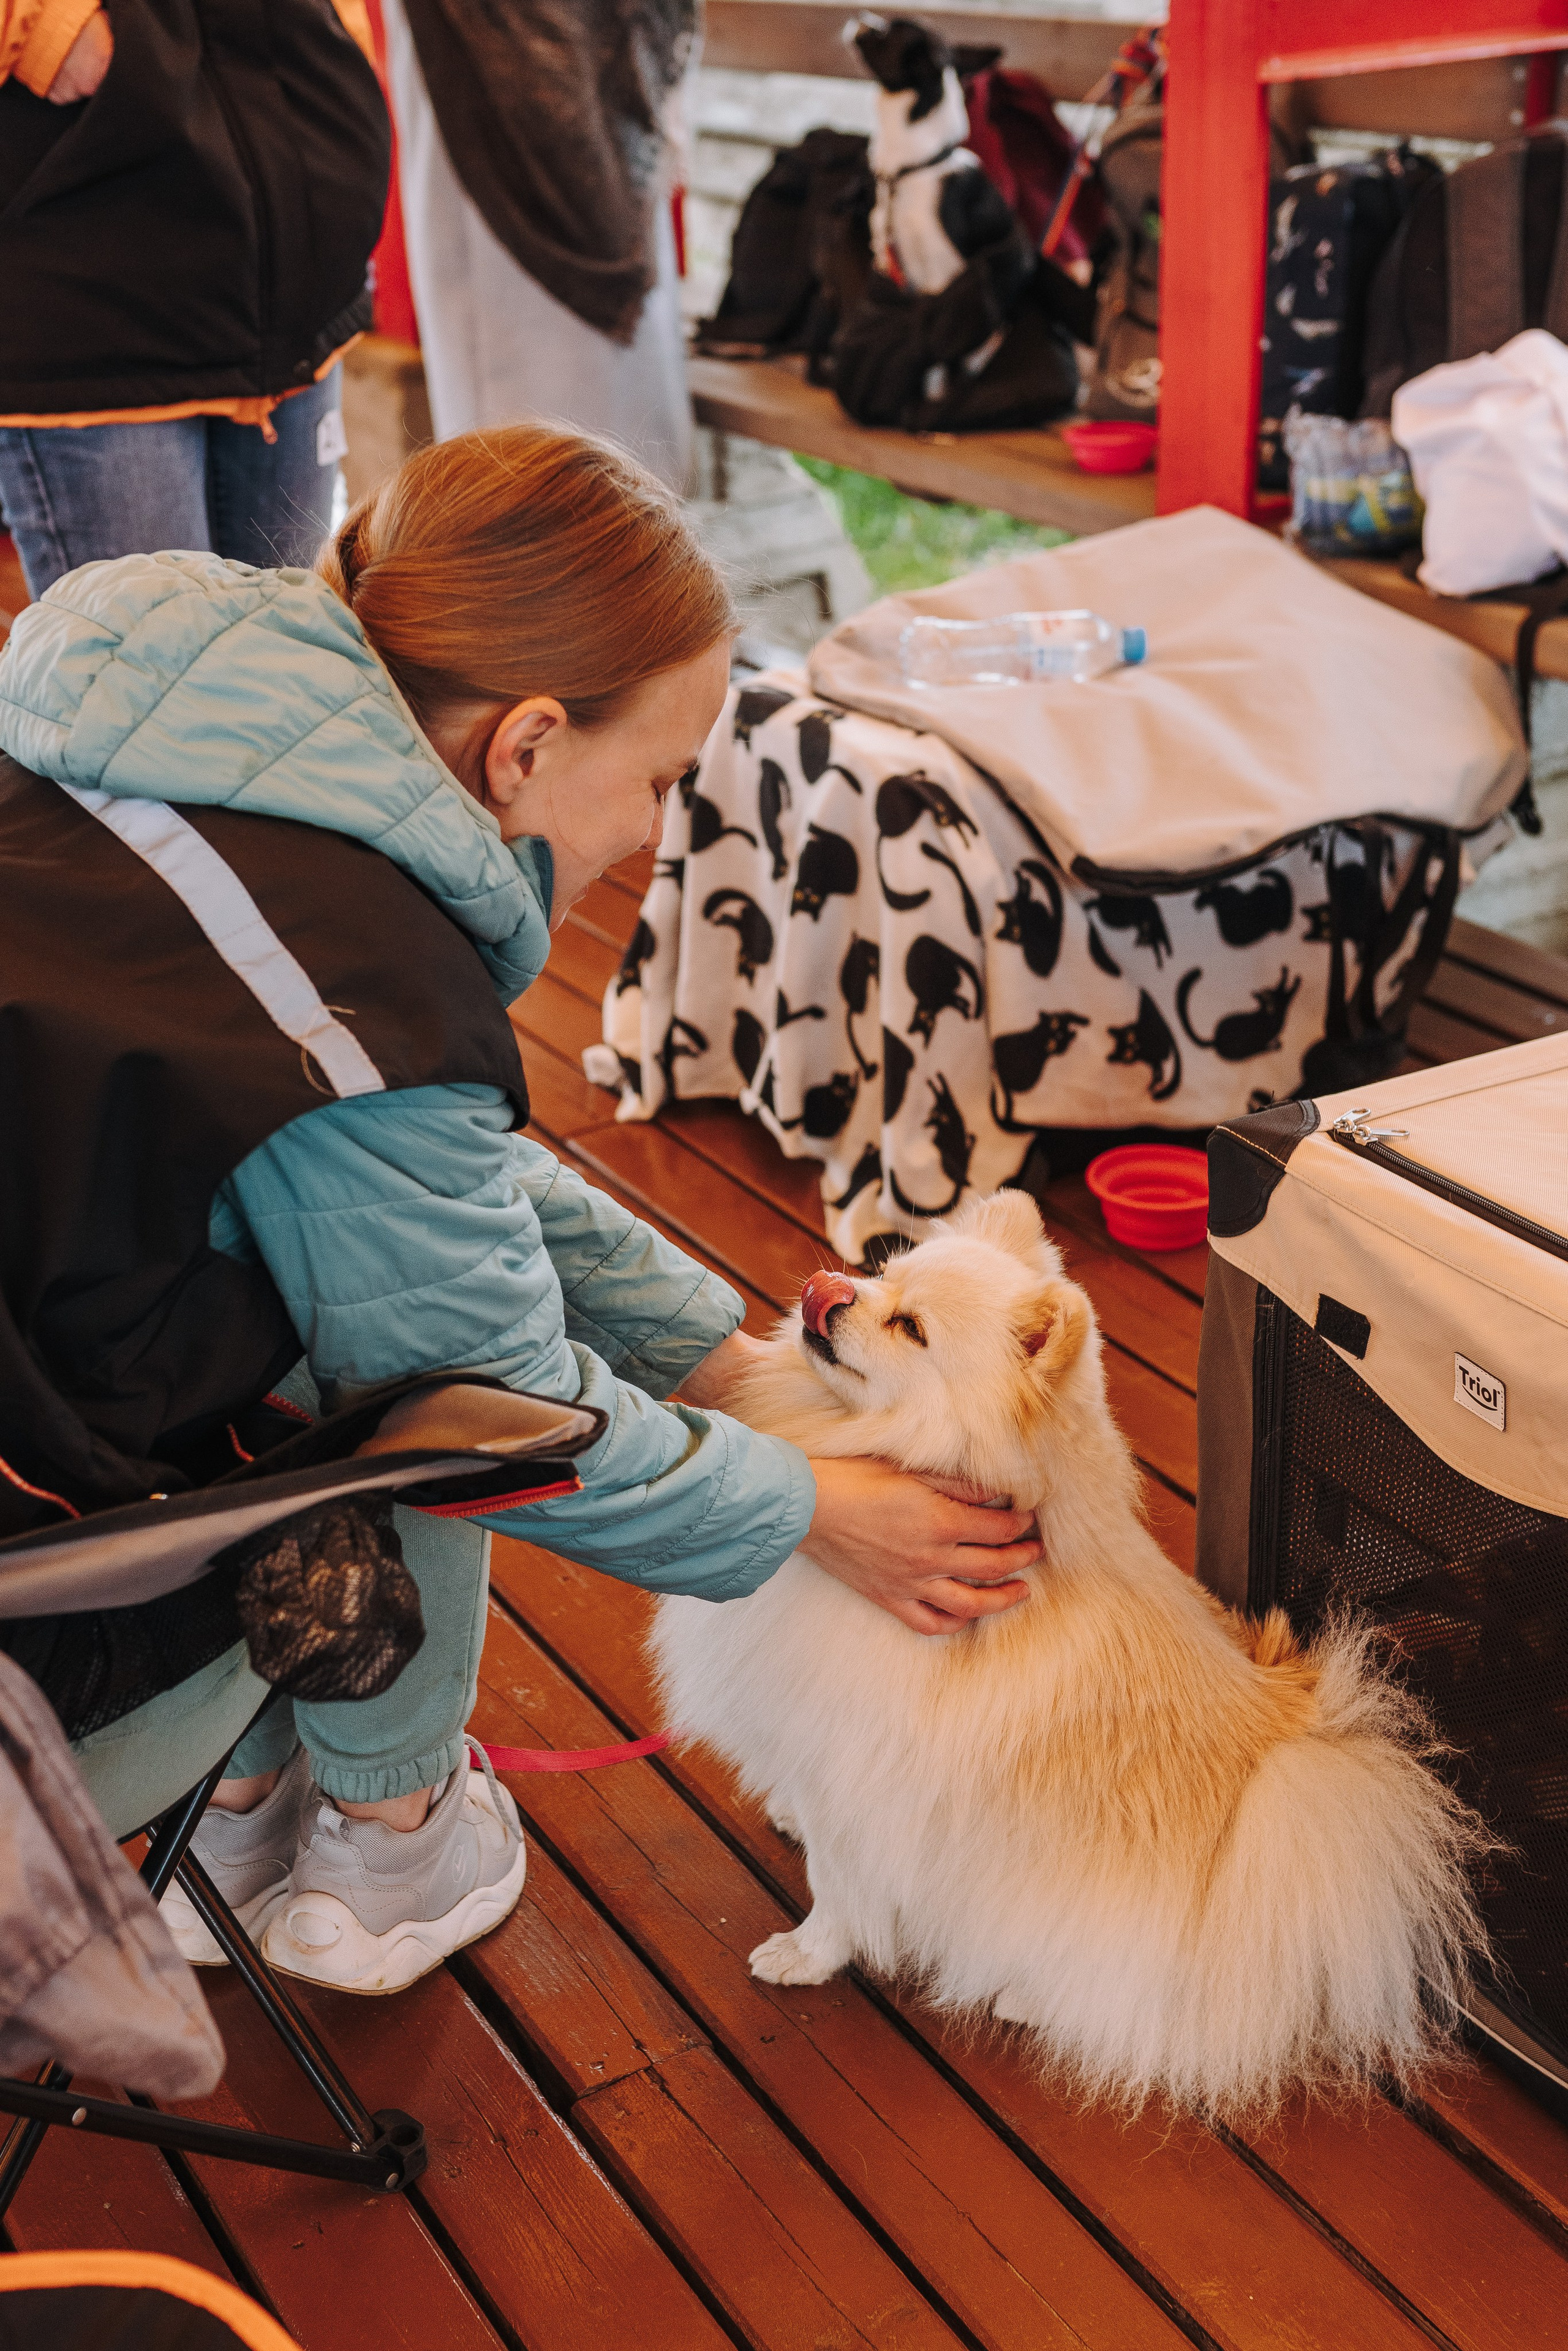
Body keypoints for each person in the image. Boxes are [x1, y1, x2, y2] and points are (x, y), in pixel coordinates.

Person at [0, 425, 1039, 1994]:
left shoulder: (137, 723)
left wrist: (726, 1362)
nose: (649, 833)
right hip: (41, 1653)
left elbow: (412, 1165)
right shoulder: (358, 976)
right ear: (528, 744)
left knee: (337, 1279)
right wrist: (820, 1509)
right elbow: (506, 1410)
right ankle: (391, 1849)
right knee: (443, 1399)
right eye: (659, 780)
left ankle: (245, 1800)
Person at [0, 0, 390, 596]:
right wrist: (39, 26)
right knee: (152, 677)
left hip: (295, 265)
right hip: (93, 268)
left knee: (289, 664)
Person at [377, 0, 694, 489]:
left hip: (608, 69)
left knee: (623, 433)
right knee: (515, 433)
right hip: (477, 61)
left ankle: (627, 527)